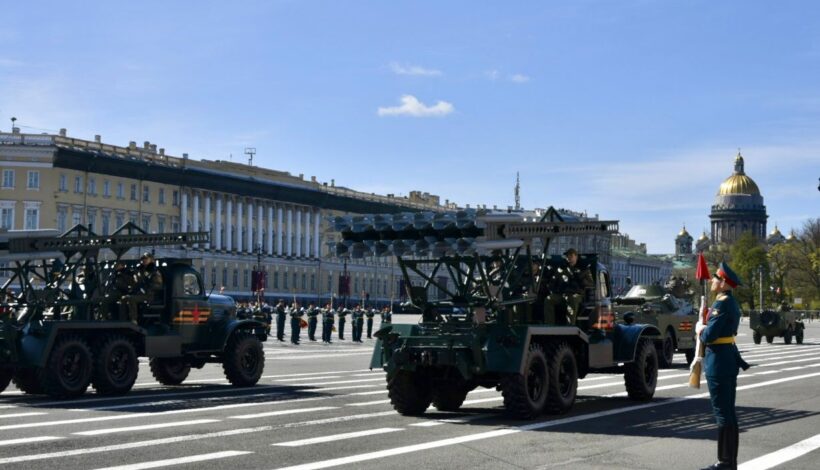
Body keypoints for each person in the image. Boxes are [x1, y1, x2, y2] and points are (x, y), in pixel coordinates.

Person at [697, 262, 749, 470]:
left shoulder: (722, 304)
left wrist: (701, 328)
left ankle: (725, 462)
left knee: (722, 413)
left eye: (716, 278)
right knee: (728, 411)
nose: (712, 280)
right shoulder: (728, 302)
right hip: (726, 359)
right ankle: (729, 461)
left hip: (718, 362)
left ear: (724, 283)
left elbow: (710, 335)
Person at [123, 252, 163, 324]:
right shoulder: (140, 270)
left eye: (146, 259)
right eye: (143, 259)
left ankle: (133, 320)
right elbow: (135, 281)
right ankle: (124, 319)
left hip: (149, 295)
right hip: (140, 293)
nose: (144, 260)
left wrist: (148, 286)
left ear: (151, 260)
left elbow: (158, 285)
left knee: (130, 298)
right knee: (124, 298)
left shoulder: (154, 272)